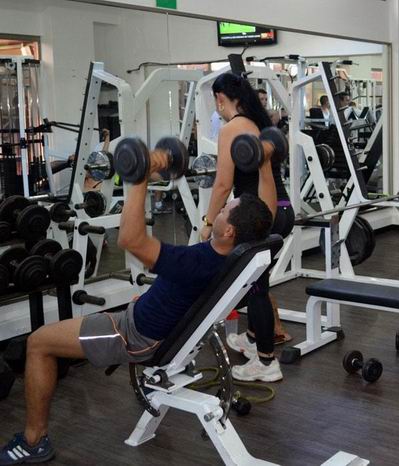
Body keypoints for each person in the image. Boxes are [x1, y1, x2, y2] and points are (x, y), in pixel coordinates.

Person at [0, 151, 273, 464]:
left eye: (224, 210)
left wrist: (139, 179)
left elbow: (129, 239)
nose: (219, 210)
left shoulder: (196, 261)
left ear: (229, 232)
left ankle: (34, 441)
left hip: (132, 334)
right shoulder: (227, 256)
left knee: (38, 343)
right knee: (52, 338)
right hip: (140, 320)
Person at [200, 72, 284, 382]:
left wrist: (209, 223)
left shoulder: (232, 128)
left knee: (256, 287)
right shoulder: (257, 122)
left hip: (259, 216)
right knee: (256, 280)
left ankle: (266, 362)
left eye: (216, 101)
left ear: (220, 98)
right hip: (279, 208)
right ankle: (252, 338)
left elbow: (223, 184)